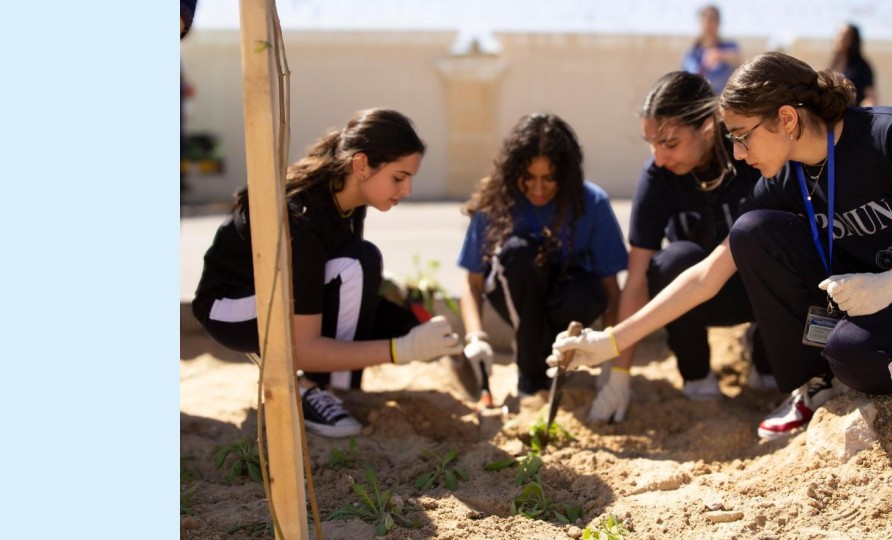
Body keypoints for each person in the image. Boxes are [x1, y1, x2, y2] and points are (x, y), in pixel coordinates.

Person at [549, 52, 892, 444]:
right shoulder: (789, 176)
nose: (738, 154)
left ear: (787, 119)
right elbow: (708, 274)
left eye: (742, 136)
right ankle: (815, 383)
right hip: (876, 292)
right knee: (752, 231)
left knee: (855, 357)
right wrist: (611, 342)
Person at [192, 109, 463, 438]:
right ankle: (309, 389)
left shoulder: (347, 201)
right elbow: (303, 346)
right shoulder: (301, 218)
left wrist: (415, 322)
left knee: (384, 298)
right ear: (361, 165)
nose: (406, 190)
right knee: (360, 265)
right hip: (229, 307)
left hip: (282, 289)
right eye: (398, 177)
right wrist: (402, 350)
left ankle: (334, 388)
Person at [587, 71, 775, 423]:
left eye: (670, 143)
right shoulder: (658, 176)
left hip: (756, 288)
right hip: (694, 297)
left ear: (707, 127)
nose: (659, 157)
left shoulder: (748, 156)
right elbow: (636, 279)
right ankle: (696, 375)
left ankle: (767, 358)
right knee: (672, 260)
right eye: (651, 143)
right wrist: (619, 377)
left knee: (773, 249)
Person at [457, 113, 628, 398]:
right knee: (521, 252)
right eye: (529, 178)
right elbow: (472, 284)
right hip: (515, 296)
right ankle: (530, 377)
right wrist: (476, 337)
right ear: (514, 171)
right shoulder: (495, 203)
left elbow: (610, 287)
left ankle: (551, 357)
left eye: (549, 179)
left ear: (566, 175)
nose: (538, 190)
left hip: (566, 302)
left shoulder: (592, 202)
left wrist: (614, 361)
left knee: (589, 291)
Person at [681, 4, 741, 95]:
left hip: (723, 99)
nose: (707, 24)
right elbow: (688, 79)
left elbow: (740, 63)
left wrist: (720, 55)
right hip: (700, 99)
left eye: (711, 19)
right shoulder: (692, 52)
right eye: (704, 20)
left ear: (718, 22)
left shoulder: (729, 46)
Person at [828, 24, 877, 107]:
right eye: (839, 34)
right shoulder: (832, 64)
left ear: (853, 40)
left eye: (845, 36)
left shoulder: (862, 67)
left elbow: (871, 98)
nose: (840, 39)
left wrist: (862, 111)